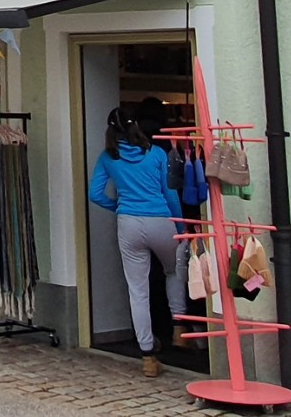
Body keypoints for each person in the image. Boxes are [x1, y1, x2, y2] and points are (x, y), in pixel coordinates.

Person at [89, 106, 187, 379]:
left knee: (138, 290)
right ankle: (179, 327)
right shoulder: (156, 153)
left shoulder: (108, 157)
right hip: (161, 220)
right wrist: (180, 226)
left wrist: (118, 206)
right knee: (175, 269)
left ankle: (147, 356)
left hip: (129, 223)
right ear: (137, 127)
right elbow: (171, 194)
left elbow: (95, 194)